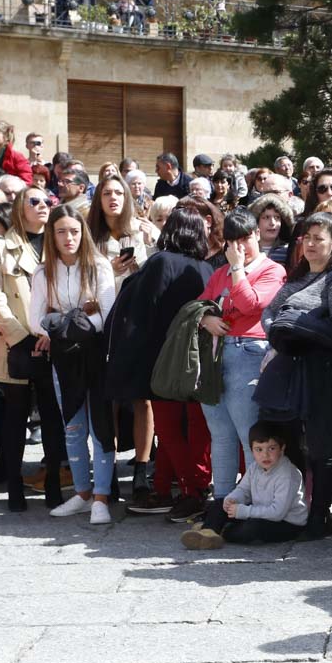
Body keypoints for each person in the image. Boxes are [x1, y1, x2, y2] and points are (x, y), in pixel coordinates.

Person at [105, 208, 214, 515]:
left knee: (166, 430)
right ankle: (165, 488)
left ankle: (192, 490)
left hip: (163, 360)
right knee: (192, 427)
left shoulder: (161, 261)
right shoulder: (206, 268)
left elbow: (143, 313)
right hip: (198, 360)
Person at [261, 212, 332, 539]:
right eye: (307, 238)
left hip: (322, 371)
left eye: (320, 238)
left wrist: (296, 325)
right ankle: (295, 507)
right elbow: (270, 314)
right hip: (289, 369)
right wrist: (280, 334)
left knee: (322, 446)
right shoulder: (297, 277)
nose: (311, 244)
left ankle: (320, 514)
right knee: (290, 441)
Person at [0, 187, 69, 511]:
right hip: (12, 341)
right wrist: (21, 335)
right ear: (20, 207)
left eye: (48, 201)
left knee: (52, 415)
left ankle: (54, 483)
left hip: (51, 340)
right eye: (34, 201)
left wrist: (51, 332)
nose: (43, 206)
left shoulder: (59, 242)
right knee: (15, 415)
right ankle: (14, 484)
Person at [31, 206, 117, 525]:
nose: (69, 238)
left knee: (100, 428)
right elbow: (35, 317)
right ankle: (81, 493)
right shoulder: (43, 272)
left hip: (94, 355)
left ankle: (101, 497)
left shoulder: (99, 266)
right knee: (73, 427)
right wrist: (73, 318)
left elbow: (107, 314)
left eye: (75, 231)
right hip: (63, 358)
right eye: (62, 232)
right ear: (52, 236)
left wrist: (67, 320)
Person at [196, 209, 287, 506]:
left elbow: (251, 305)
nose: (239, 248)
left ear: (257, 235)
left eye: (246, 239)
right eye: (232, 241)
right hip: (216, 354)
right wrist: (206, 320)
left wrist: (236, 270)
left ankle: (255, 503)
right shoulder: (220, 272)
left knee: (250, 436)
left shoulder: (272, 270)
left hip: (249, 350)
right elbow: (200, 305)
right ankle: (223, 502)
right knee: (220, 436)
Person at [182, 421, 309, 549]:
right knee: (219, 503)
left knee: (252, 529)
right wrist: (233, 499)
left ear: (282, 449)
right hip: (260, 513)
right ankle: (208, 532)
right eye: (259, 449)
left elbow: (277, 513)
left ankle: (218, 531)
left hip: (287, 523)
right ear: (251, 450)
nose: (265, 455)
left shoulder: (288, 474)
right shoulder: (254, 467)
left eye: (271, 448)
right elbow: (243, 489)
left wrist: (244, 511)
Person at [87, 173, 154, 289]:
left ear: (126, 198)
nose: (113, 197)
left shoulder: (141, 228)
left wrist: (149, 243)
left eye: (118, 193)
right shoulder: (88, 235)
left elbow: (154, 272)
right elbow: (83, 279)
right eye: (107, 193)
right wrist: (111, 271)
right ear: (99, 200)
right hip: (106, 303)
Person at [249, 193, 294, 265]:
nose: (272, 223)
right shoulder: (247, 250)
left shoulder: (289, 251)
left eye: (277, 217)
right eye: (266, 217)